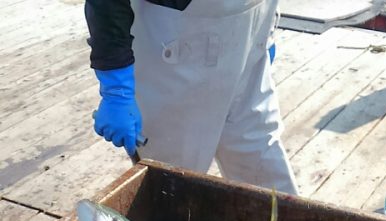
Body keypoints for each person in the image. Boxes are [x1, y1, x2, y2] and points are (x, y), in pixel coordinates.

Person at [85, 1, 299, 195]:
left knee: (262, 161)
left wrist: (267, 30)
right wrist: (116, 88)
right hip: (177, 41)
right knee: (173, 183)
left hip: (253, 33)